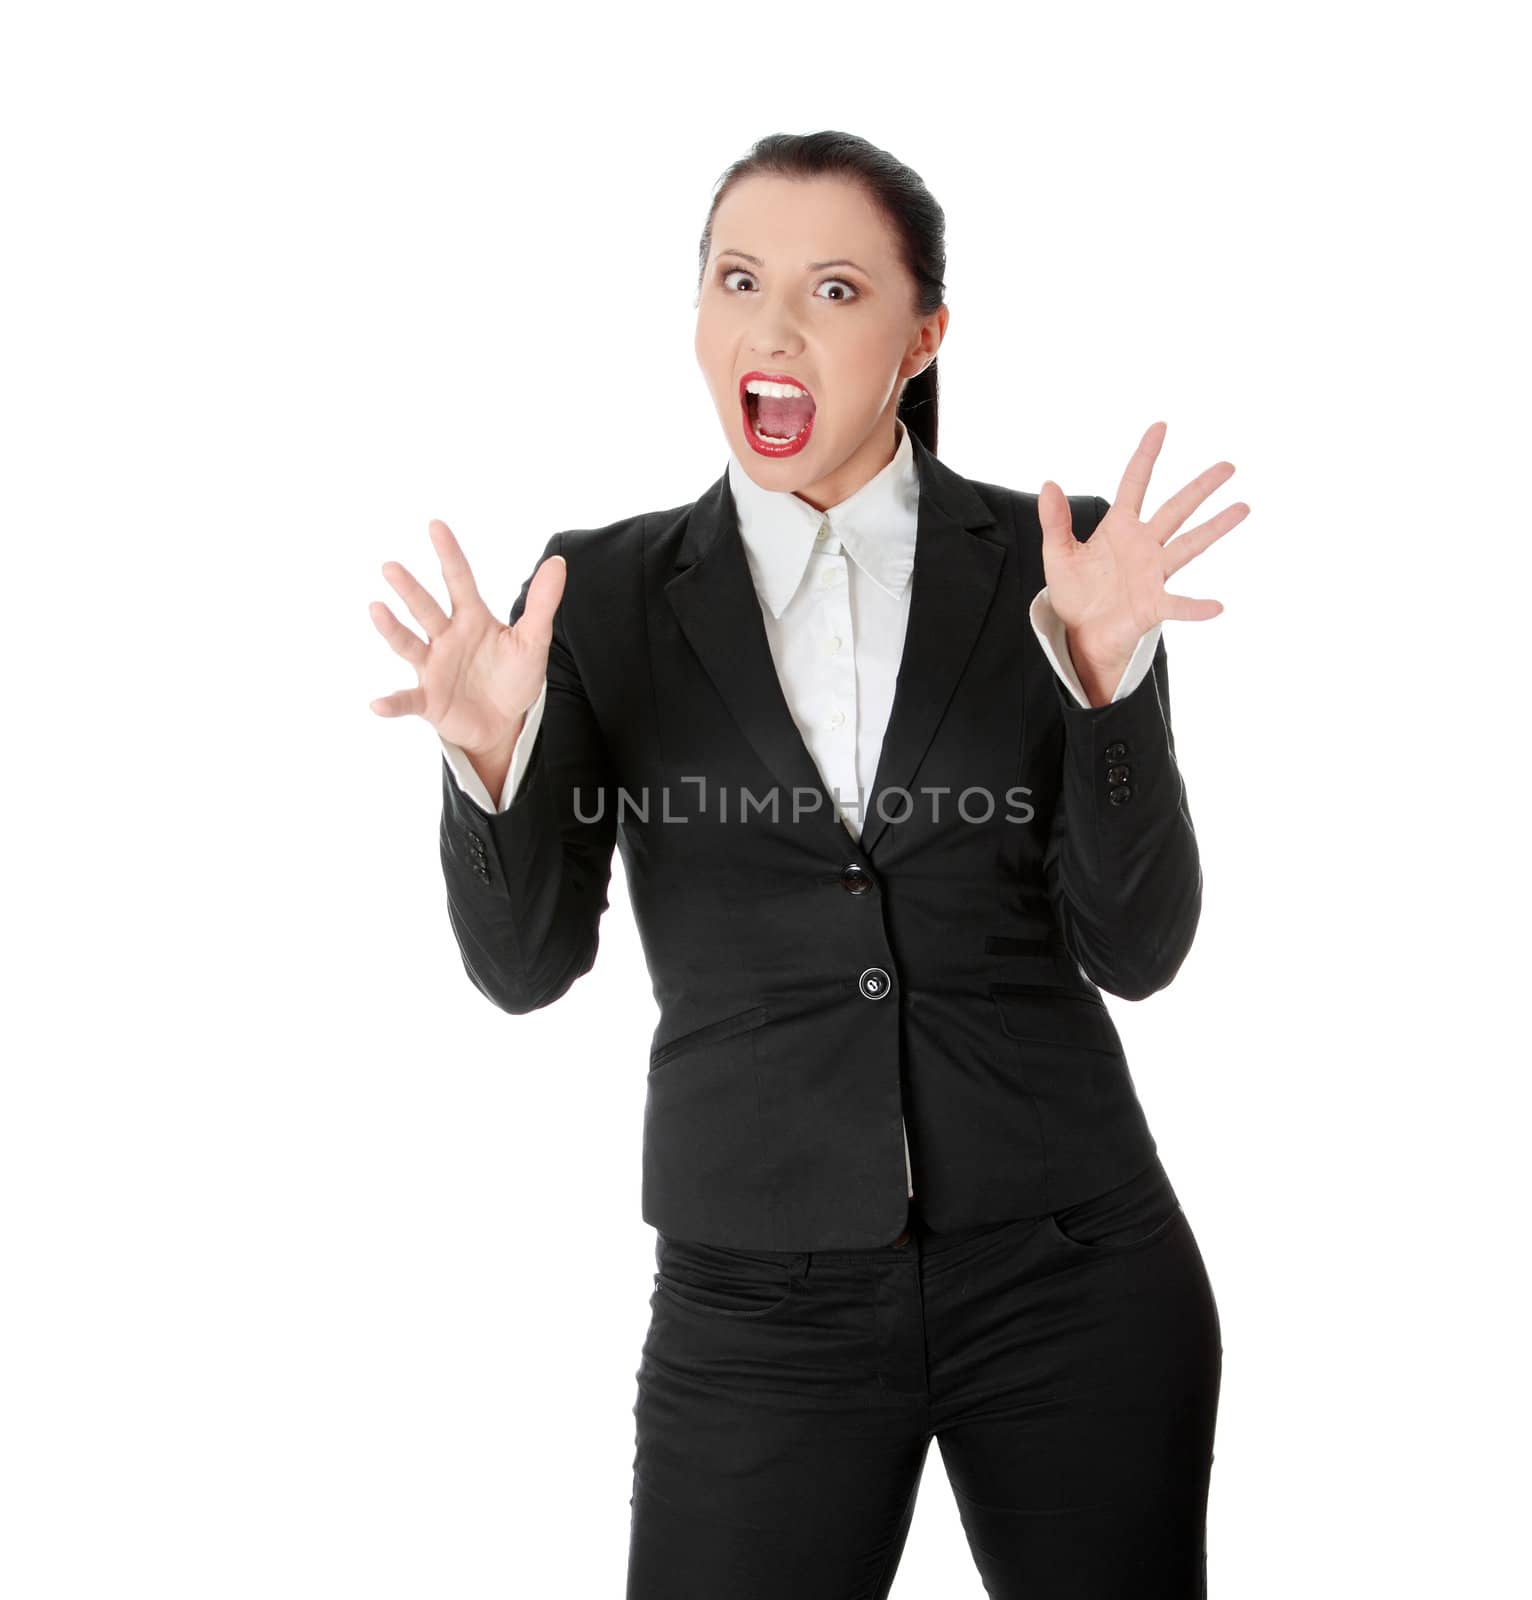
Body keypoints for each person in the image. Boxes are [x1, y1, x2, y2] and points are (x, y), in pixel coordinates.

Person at [368, 130, 1245, 1600]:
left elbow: (1139, 949)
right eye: (738, 281)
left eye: (834, 290)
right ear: (700, 320)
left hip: (1074, 1272)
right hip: (755, 1302)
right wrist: (488, 766)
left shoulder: (1060, 563)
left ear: (922, 339)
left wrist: (1102, 681)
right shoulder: (604, 596)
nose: (772, 328)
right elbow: (527, 967)